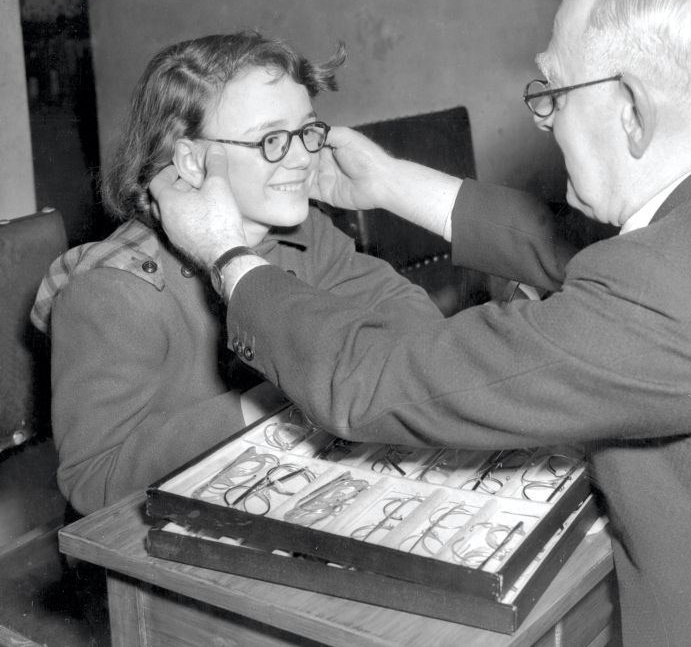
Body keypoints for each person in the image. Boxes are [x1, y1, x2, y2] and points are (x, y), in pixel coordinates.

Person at [150, 0, 691, 646]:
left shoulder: (669, 302)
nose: (545, 122)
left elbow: (372, 383)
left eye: (553, 93)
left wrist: (227, 257)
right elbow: (587, 253)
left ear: (630, 109)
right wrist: (394, 185)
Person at [30, 32, 443, 517]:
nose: (302, 157)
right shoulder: (114, 291)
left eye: (306, 131)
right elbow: (93, 479)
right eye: (270, 140)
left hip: (281, 491)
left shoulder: (302, 230)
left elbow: (412, 318)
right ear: (190, 159)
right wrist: (278, 399)